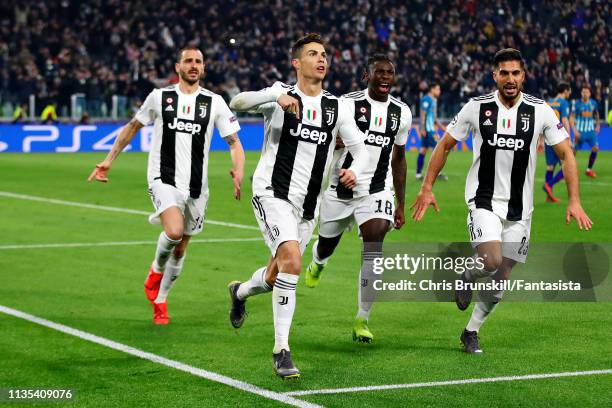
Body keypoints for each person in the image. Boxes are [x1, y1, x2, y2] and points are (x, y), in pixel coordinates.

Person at [411, 48, 592, 354]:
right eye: (504, 73)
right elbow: (444, 145)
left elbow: (566, 154)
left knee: (502, 275)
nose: (510, 79)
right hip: (484, 201)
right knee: (491, 260)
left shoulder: (542, 111)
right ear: (494, 75)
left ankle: (470, 331)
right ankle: (466, 274)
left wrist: (574, 199)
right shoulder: (476, 108)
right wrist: (427, 187)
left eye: (516, 73)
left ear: (524, 76)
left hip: (521, 210)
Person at [227, 33, 369, 379]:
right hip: (272, 192)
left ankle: (240, 291)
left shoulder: (337, 107)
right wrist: (276, 96)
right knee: (292, 260)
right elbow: (236, 103)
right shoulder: (280, 94)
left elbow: (361, 147)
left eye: (324, 54)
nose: (321, 59)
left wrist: (354, 169)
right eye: (312, 54)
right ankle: (281, 350)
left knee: (277, 274)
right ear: (297, 63)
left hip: (309, 206)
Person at [88, 46, 244, 325]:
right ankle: (155, 270)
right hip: (163, 178)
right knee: (172, 232)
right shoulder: (160, 97)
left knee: (182, 248)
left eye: (198, 61)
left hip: (197, 187)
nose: (194, 65)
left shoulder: (215, 102)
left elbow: (234, 142)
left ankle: (160, 299)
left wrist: (239, 170)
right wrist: (109, 160)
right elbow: (133, 127)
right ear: (178, 67)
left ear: (204, 68)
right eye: (188, 61)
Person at [303, 54, 411, 343]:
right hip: (340, 190)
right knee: (326, 244)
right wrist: (333, 139)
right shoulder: (346, 104)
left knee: (374, 244)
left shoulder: (401, 112)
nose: (386, 77)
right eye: (379, 72)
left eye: (390, 72)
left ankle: (362, 320)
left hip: (377, 190)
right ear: (367, 75)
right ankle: (318, 262)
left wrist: (400, 202)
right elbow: (320, 136)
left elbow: (399, 158)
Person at [543, 82, 573, 202]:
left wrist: (541, 139)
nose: (569, 93)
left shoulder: (549, 101)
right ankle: (549, 184)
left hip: (547, 136)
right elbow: (564, 120)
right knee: (568, 163)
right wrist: (568, 137)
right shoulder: (564, 103)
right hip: (559, 136)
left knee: (550, 166)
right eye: (569, 91)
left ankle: (549, 196)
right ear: (565, 91)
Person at [416, 83, 446, 180]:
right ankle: (437, 173)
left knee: (423, 150)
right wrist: (422, 128)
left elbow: (434, 117)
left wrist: (441, 127)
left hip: (430, 130)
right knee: (438, 150)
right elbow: (422, 114)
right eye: (437, 89)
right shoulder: (426, 99)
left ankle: (418, 174)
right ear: (432, 89)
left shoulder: (434, 100)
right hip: (428, 130)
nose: (439, 91)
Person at [572, 86, 601, 178]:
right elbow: (572, 117)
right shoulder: (577, 104)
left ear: (589, 93)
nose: (585, 94)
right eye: (583, 92)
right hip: (580, 131)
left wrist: (598, 125)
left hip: (590, 132)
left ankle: (589, 170)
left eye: (586, 92)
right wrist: (574, 130)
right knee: (573, 151)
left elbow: (596, 114)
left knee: (595, 148)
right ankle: (568, 170)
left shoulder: (593, 103)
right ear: (581, 93)